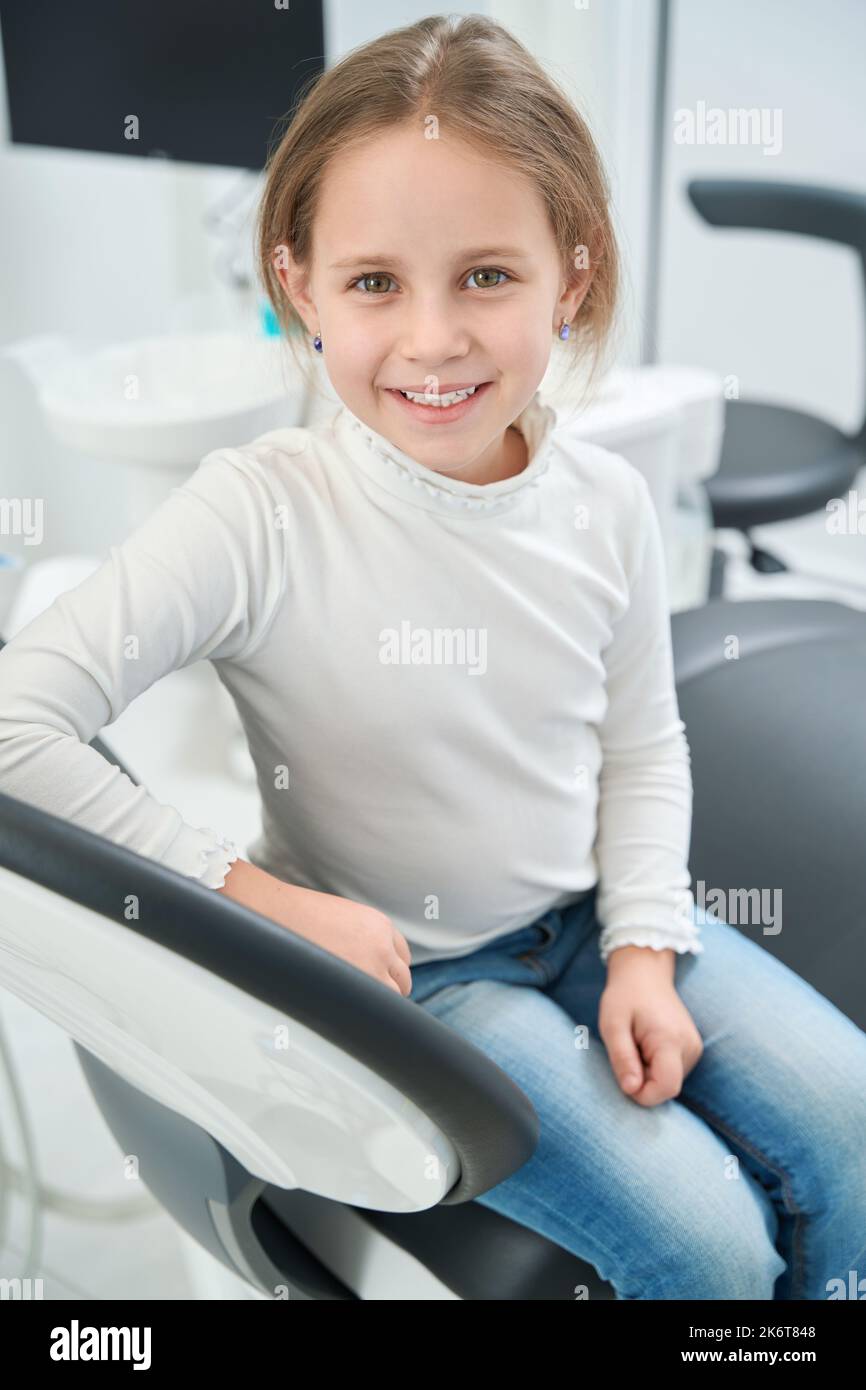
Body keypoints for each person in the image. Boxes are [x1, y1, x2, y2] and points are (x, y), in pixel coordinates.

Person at [1, 14, 864, 1300]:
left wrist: (638, 948)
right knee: (709, 1248)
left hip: (584, 918)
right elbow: (18, 729)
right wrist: (258, 896)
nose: (431, 340)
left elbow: (640, 744)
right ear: (297, 285)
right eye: (372, 283)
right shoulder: (260, 512)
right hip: (418, 982)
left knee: (848, 1121)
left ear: (567, 277)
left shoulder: (605, 502)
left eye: (485, 276)